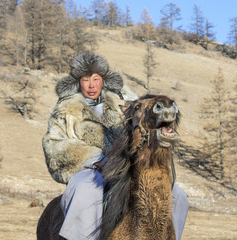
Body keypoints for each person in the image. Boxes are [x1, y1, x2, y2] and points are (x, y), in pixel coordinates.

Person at [42, 52, 189, 240]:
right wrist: (94, 158)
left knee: (178, 195)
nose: (92, 85)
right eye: (86, 80)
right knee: (86, 189)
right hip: (91, 169)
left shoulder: (124, 100)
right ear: (78, 82)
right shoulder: (65, 110)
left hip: (126, 168)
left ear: (103, 79)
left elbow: (143, 126)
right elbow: (54, 146)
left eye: (96, 78)